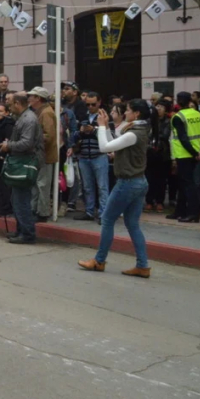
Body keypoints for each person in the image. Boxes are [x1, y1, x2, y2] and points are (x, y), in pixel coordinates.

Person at [78, 99, 153, 278]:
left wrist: (102, 127)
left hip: (128, 183)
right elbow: (115, 143)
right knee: (132, 224)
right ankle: (142, 265)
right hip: (139, 181)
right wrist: (102, 127)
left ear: (137, 114)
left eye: (127, 110)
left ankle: (99, 261)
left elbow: (104, 147)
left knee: (107, 219)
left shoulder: (134, 133)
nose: (124, 113)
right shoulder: (137, 130)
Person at [0, 93, 43, 244]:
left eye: (11, 105)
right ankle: (20, 230)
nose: (10, 108)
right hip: (21, 160)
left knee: (22, 199)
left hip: (26, 162)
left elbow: (26, 143)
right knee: (17, 198)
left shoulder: (29, 119)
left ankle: (27, 233)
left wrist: (8, 145)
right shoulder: (24, 118)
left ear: (18, 103)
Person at [169, 91, 200, 223]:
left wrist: (195, 153)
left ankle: (193, 213)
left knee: (188, 185)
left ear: (178, 102)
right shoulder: (197, 114)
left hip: (184, 154)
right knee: (184, 184)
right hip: (195, 153)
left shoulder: (178, 117)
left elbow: (183, 138)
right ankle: (180, 211)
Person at [73, 92, 108, 222]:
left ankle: (103, 213)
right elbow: (74, 135)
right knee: (87, 187)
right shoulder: (83, 116)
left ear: (99, 102)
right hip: (84, 155)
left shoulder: (104, 116)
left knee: (102, 186)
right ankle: (89, 211)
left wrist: (93, 130)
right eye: (87, 104)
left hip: (99, 155)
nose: (90, 107)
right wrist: (81, 131)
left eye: (93, 104)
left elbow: (109, 135)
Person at [27, 87, 58, 221]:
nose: (29, 98)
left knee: (42, 184)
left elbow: (48, 135)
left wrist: (31, 141)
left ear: (38, 98)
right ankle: (36, 210)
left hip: (45, 155)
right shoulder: (41, 111)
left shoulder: (46, 113)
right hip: (40, 154)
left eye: (31, 96)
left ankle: (42, 213)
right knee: (37, 184)